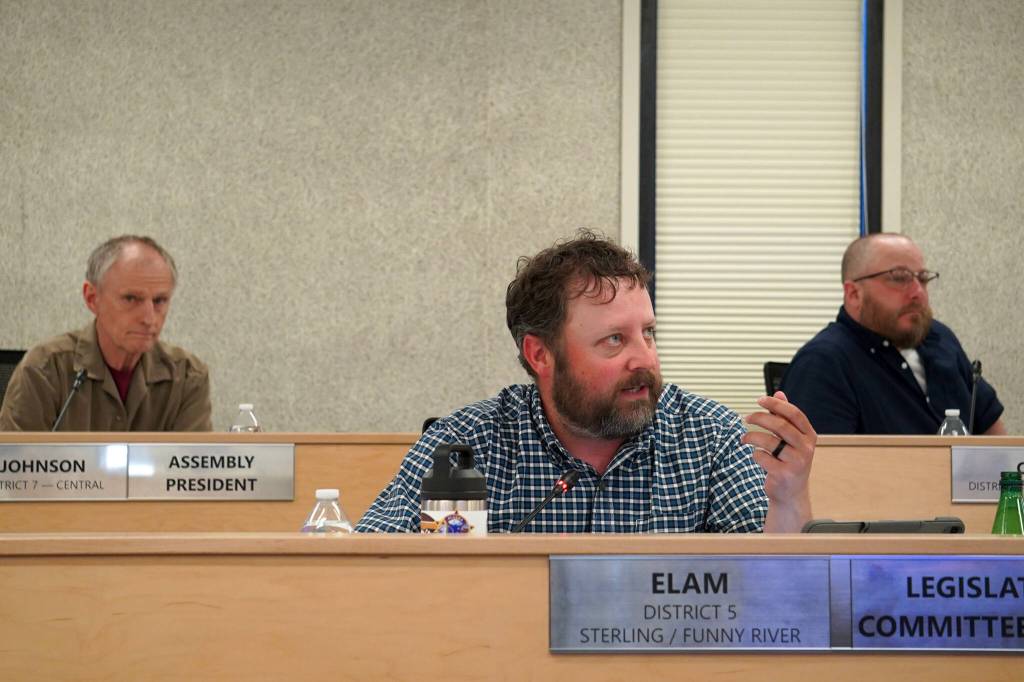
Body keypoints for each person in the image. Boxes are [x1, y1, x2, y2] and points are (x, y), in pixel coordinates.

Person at [356, 230, 814, 534]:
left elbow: (778, 601)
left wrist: (789, 500)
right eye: (614, 340)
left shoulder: (710, 436)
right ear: (541, 355)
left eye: (648, 333)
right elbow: (365, 569)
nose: (644, 359)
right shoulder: (468, 444)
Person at [781, 233, 1006, 435]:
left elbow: (995, 439)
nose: (918, 292)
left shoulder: (940, 338)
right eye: (900, 278)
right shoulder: (824, 362)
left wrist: (1011, 482)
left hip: (962, 482)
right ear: (854, 294)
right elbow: (823, 472)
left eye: (923, 278)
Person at [0, 235, 212, 431]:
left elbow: (192, 469)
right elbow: (14, 465)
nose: (149, 318)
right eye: (131, 299)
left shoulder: (186, 376)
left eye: (159, 301)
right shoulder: (45, 370)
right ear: (92, 298)